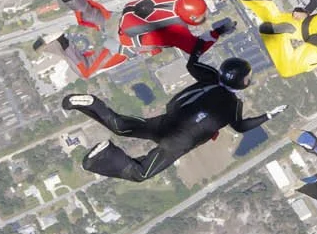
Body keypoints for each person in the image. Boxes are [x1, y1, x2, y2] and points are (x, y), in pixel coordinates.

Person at [66, 47, 270, 181]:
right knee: (141, 173)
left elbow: (192, 64)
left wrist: (202, 42)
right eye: (247, 78)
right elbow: (241, 126)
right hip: (178, 143)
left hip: (168, 122)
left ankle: (91, 104)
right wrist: (267, 116)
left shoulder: (211, 78)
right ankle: (102, 156)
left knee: (120, 125)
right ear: (239, 81)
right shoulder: (234, 105)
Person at [39, 0, 223, 81]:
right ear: (190, 17)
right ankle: (61, 42)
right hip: (121, 45)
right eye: (199, 17)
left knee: (88, 11)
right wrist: (218, 32)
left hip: (118, 20)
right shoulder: (177, 31)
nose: (202, 18)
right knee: (86, 70)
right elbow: (197, 48)